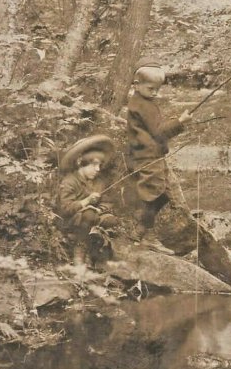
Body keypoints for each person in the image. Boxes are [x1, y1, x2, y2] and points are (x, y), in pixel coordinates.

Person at [126, 57, 192, 254]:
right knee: (152, 195)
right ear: (136, 85)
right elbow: (159, 132)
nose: (155, 93)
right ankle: (147, 236)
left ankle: (139, 232)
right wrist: (180, 121)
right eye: (150, 89)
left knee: (160, 195)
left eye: (157, 89)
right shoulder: (144, 105)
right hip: (148, 157)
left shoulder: (139, 101)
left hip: (147, 154)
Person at [58, 135, 118, 266]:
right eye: (94, 164)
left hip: (94, 218)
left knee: (111, 220)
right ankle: (79, 250)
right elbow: (64, 209)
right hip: (73, 220)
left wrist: (100, 209)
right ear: (81, 162)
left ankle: (94, 251)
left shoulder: (99, 182)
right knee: (89, 214)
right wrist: (87, 201)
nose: (98, 169)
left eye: (100, 165)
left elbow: (108, 201)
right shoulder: (70, 181)